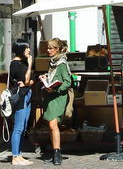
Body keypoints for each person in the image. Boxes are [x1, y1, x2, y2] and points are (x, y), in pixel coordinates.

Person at [40, 38, 74, 166]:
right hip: (50, 96)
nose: (48, 50)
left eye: (50, 48)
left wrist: (56, 90)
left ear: (57, 49)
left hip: (58, 97)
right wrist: (46, 78)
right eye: (47, 48)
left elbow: (67, 81)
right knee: (50, 125)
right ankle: (54, 151)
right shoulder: (52, 62)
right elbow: (54, 77)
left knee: (53, 125)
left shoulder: (61, 63)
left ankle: (57, 153)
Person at [8, 41, 34, 166]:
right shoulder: (15, 64)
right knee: (18, 127)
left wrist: (27, 83)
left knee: (23, 127)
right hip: (21, 97)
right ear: (20, 50)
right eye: (26, 48)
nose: (29, 50)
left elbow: (31, 81)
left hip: (27, 95)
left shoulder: (22, 63)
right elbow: (27, 79)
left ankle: (19, 154)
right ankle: (15, 157)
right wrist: (29, 66)